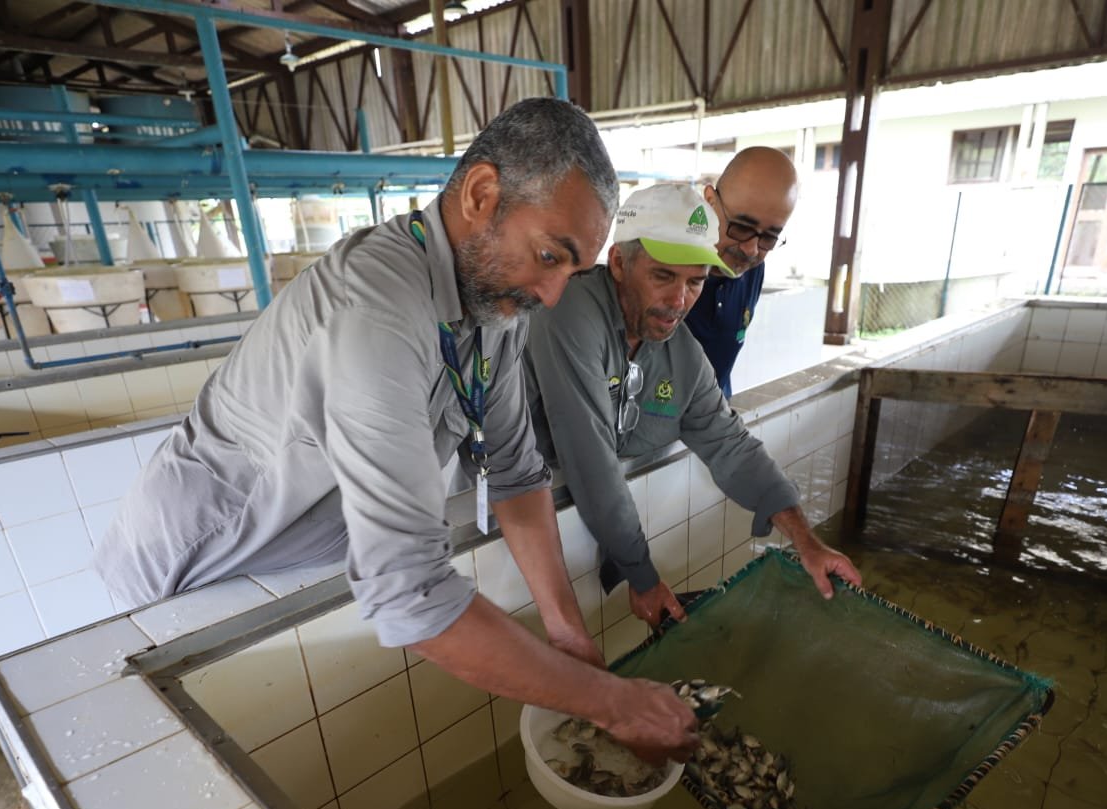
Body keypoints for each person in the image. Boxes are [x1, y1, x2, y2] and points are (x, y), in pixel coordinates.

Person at [93, 98, 696, 763]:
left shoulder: (495, 305)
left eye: (572, 272)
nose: (553, 295)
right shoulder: (376, 308)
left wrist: (570, 639)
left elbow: (516, 473)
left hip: (290, 553)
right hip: (191, 566)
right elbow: (411, 592)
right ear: (481, 194)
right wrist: (610, 702)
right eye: (550, 255)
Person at [524, 182, 860, 629]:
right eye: (663, 276)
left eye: (695, 281)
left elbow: (730, 442)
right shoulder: (572, 312)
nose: (679, 301)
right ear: (619, 263)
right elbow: (590, 460)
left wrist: (807, 542)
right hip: (503, 502)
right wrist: (642, 576)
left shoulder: (680, 350)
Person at [685, 146, 799, 397]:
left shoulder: (752, 269)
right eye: (741, 227)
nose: (751, 249)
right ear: (710, 201)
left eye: (769, 237)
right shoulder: (665, 266)